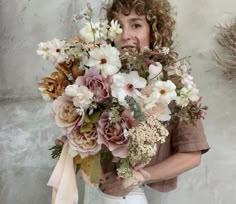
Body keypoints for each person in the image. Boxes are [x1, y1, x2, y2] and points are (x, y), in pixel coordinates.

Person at [83, 0, 210, 203]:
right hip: (92, 192)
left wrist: (137, 177)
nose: (125, 36)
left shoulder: (173, 84)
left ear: (154, 30)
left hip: (133, 196)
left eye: (136, 25)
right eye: (119, 26)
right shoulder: (97, 79)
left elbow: (192, 155)